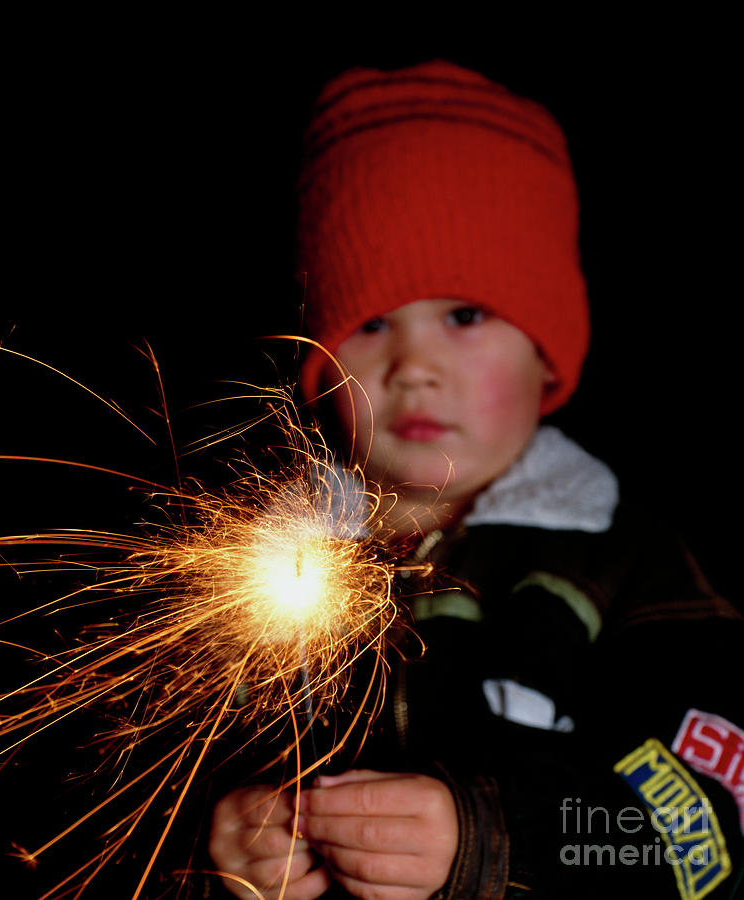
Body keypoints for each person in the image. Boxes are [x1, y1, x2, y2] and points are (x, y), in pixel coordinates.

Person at [205, 61, 743, 899]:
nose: (415, 367)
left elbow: (702, 834)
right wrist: (228, 837)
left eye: (463, 315)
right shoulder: (259, 574)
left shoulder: (631, 569)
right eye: (372, 321)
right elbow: (140, 785)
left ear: (545, 349)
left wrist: (489, 840)